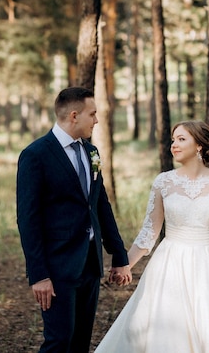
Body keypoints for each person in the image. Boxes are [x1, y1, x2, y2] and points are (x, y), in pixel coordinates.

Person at [94, 120, 209, 353]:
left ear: (199, 145)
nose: (173, 145)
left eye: (181, 139)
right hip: (171, 264)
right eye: (172, 140)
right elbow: (149, 232)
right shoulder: (163, 182)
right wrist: (125, 264)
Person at [16, 86, 132, 353]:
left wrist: (118, 254)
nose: (97, 120)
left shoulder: (91, 152)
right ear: (74, 115)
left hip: (90, 265)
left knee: (80, 342)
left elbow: (101, 205)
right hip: (57, 267)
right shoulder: (36, 155)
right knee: (59, 342)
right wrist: (39, 275)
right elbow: (27, 219)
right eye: (93, 114)